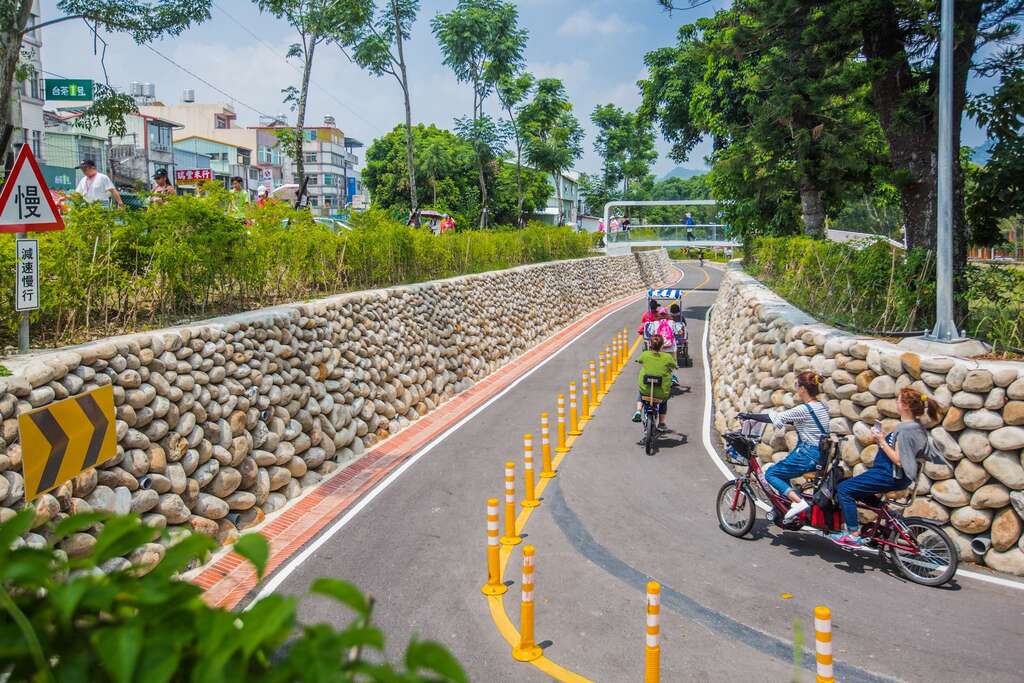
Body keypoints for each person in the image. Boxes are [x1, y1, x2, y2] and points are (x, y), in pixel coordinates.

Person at [830, 389, 944, 548]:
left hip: (889, 475)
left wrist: (881, 440)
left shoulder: (905, 430)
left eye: (898, 400)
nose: (896, 403)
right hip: (895, 476)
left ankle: (853, 534)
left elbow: (899, 460)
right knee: (857, 488)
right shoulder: (916, 427)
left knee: (844, 488)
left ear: (905, 406)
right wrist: (883, 440)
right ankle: (891, 516)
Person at [738, 370, 830, 521]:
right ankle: (782, 508)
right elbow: (810, 424)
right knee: (781, 475)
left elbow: (775, 418)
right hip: (819, 455)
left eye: (797, 385)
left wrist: (749, 415)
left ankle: (799, 502)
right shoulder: (822, 406)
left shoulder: (804, 409)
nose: (795, 388)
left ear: (802, 389)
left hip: (807, 455)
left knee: (771, 474)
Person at [632, 333, 676, 430]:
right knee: (664, 402)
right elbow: (675, 366)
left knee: (641, 392)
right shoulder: (667, 357)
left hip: (646, 390)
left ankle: (638, 411)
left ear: (650, 345)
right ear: (662, 345)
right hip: (661, 393)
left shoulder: (645, 354)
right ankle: (661, 423)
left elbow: (638, 360)